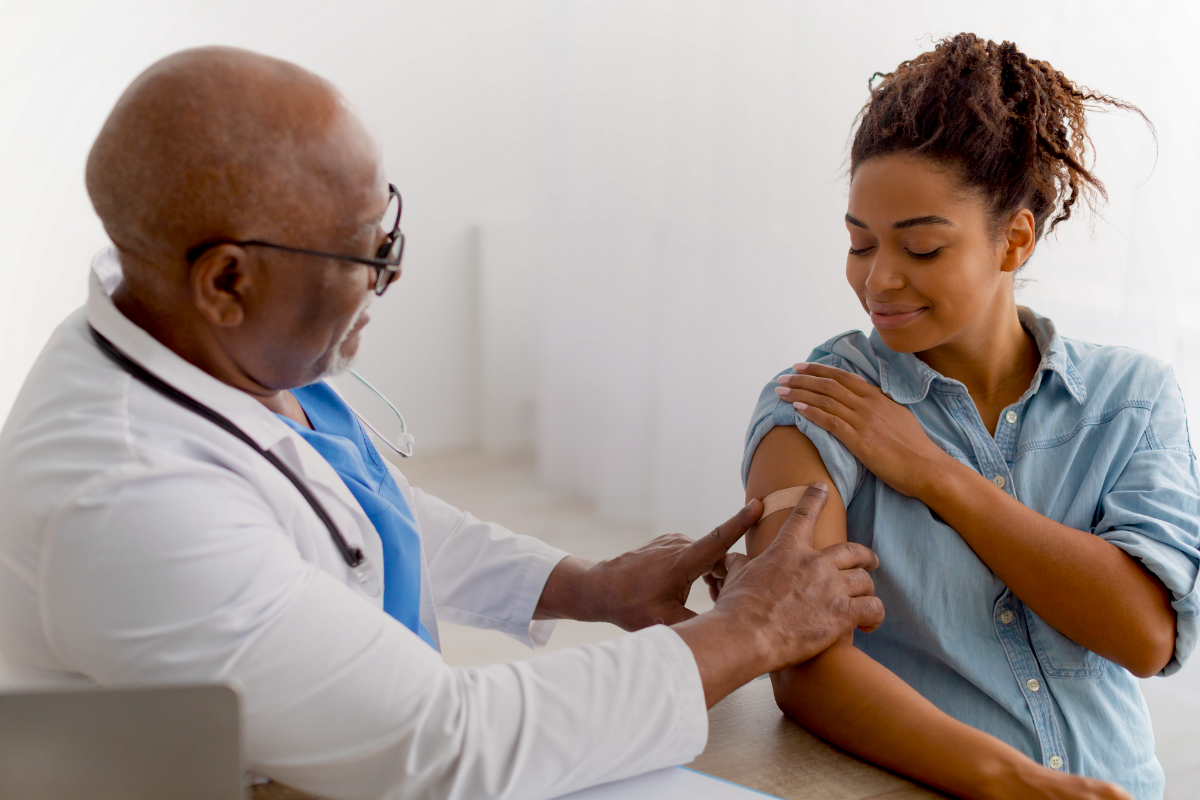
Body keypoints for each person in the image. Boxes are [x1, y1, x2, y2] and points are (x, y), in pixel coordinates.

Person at [0, 47, 886, 800]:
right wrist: (748, 631)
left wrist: (587, 585)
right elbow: (444, 744)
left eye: (387, 228)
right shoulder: (128, 501)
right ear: (227, 282)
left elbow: (356, 512)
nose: (388, 273)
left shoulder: (188, 339)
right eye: (366, 253)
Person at [741, 34, 1198, 800]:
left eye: (921, 249)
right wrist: (1015, 783)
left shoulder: (1132, 398)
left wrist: (938, 477)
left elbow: (1146, 637)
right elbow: (802, 664)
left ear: (1014, 238)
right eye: (860, 244)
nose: (879, 279)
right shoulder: (817, 405)